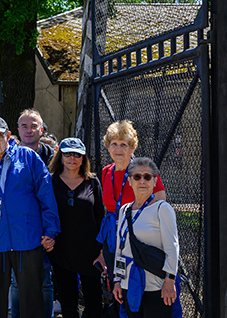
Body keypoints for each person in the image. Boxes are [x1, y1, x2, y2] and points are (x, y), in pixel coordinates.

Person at [0, 116, 60, 318]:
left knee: (32, 300)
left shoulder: (29, 158)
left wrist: (51, 230)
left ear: (8, 135)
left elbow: (46, 196)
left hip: (27, 238)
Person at [97, 121, 167, 280]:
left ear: (132, 148)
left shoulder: (143, 171)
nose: (118, 149)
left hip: (136, 235)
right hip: (112, 236)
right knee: (116, 280)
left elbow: (160, 199)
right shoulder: (106, 172)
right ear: (108, 146)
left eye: (123, 144)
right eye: (114, 144)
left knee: (135, 282)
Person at [112, 158, 179, 318]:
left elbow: (172, 247)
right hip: (129, 285)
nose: (142, 181)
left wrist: (170, 280)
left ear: (155, 181)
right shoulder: (124, 210)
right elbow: (120, 248)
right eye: (137, 177)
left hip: (156, 286)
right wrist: (117, 279)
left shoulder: (162, 208)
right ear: (129, 181)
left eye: (147, 177)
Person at [47, 138, 106, 318]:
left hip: (90, 253)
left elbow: (101, 217)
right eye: (67, 154)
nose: (72, 158)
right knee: (68, 303)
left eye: (77, 154)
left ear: (83, 158)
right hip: (61, 251)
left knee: (94, 302)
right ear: (60, 156)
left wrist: (103, 251)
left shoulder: (93, 182)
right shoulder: (50, 181)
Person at [11, 109, 56, 318]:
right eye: (25, 126)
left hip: (46, 230)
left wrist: (51, 231)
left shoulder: (55, 159)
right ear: (17, 130)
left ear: (42, 129)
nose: (29, 130)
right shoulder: (8, 157)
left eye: (34, 126)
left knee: (46, 281)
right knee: (16, 281)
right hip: (19, 230)